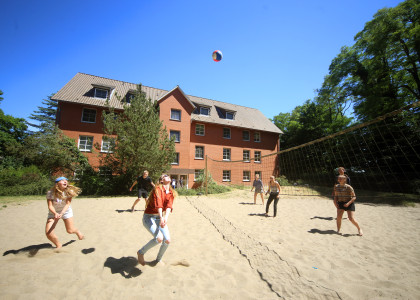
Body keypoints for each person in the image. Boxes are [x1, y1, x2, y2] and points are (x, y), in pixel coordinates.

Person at [137, 174, 176, 266]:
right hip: (149, 217)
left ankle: (158, 260)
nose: (168, 176)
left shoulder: (171, 192)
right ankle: (140, 252)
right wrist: (162, 218)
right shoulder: (157, 189)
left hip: (159, 218)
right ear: (162, 180)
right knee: (159, 238)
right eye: (165, 176)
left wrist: (165, 219)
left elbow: (168, 207)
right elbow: (159, 205)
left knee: (167, 240)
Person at [45, 177, 84, 249]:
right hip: (53, 212)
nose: (65, 181)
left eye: (66, 180)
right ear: (57, 184)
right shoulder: (50, 193)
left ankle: (77, 231)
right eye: (62, 180)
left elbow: (68, 204)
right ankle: (58, 245)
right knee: (48, 233)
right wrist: (55, 213)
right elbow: (50, 206)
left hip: (66, 211)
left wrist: (62, 213)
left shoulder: (69, 191)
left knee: (70, 230)